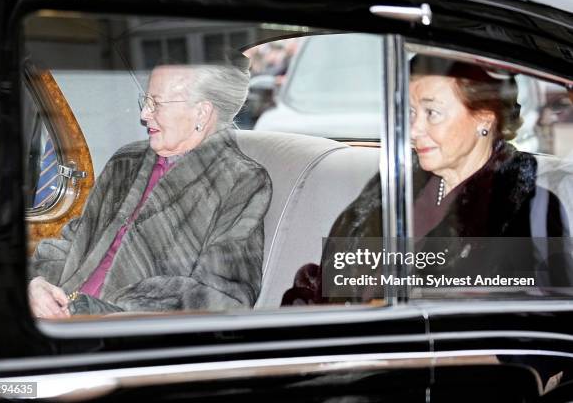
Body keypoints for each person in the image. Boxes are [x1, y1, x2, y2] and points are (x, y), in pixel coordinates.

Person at [282, 55, 569, 305]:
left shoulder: (525, 208)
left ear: (484, 117)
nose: (414, 129)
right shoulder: (392, 189)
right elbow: (324, 285)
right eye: (410, 112)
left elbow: (533, 337)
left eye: (432, 113)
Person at [29, 53, 272, 318]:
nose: (144, 114)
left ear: (201, 112)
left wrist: (98, 311)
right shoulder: (126, 162)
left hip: (126, 332)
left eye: (156, 104)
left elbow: (223, 296)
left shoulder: (240, 182)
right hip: (61, 313)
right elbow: (73, 239)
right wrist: (36, 283)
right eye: (146, 101)